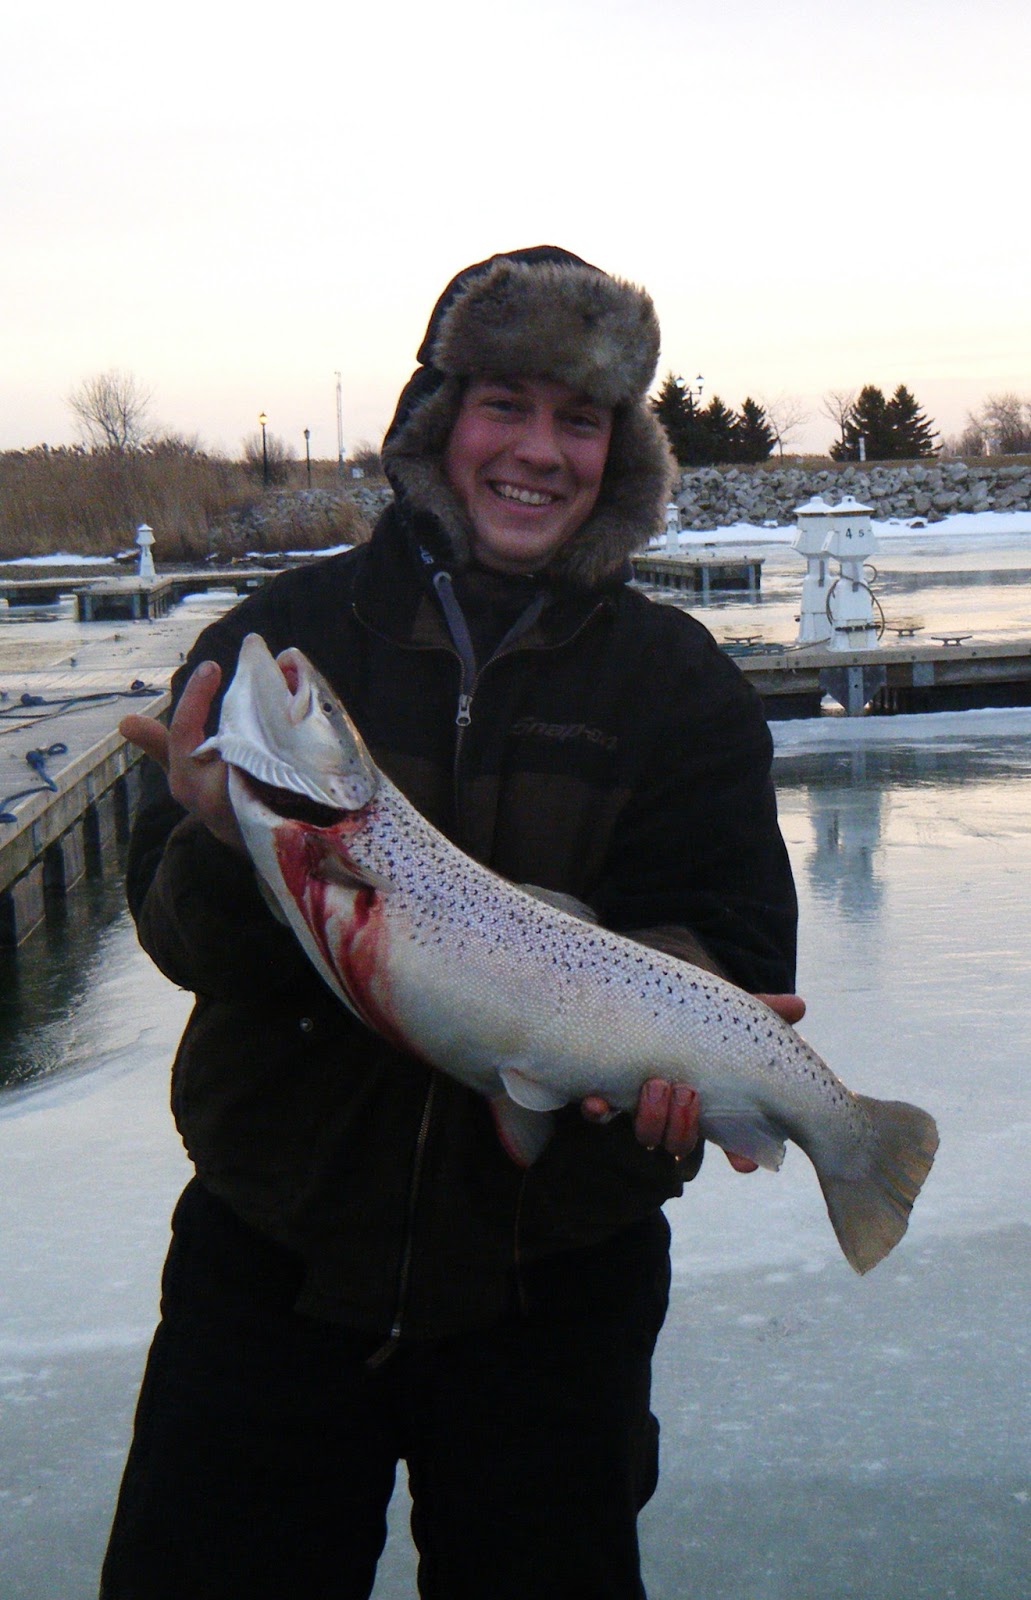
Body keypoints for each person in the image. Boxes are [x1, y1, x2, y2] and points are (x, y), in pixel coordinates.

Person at [100, 245, 800, 1600]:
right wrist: (221, 844)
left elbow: (732, 940)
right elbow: (173, 933)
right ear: (438, 422)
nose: (539, 451)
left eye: (580, 419)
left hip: (558, 1288)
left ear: (620, 448)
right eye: (506, 406)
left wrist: (681, 1030)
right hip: (273, 1267)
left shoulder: (678, 686)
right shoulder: (286, 642)